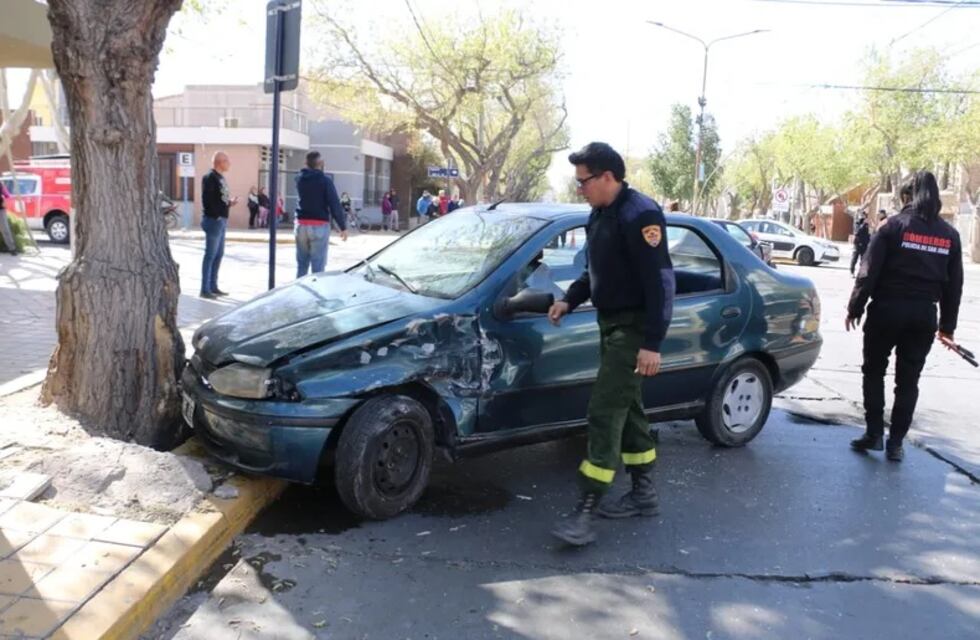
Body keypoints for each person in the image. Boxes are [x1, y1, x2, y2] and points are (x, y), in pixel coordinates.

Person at [547, 142, 675, 546]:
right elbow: (594, 272)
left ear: (607, 177)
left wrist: (652, 342)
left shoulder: (641, 215)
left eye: (583, 181)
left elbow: (661, 282)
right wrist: (569, 299)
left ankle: (586, 508)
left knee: (604, 409)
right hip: (610, 324)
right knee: (628, 407)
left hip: (633, 329)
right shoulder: (600, 215)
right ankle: (643, 494)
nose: (579, 188)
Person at [846, 171, 963, 462]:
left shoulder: (892, 227)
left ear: (907, 196)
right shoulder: (949, 235)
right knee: (908, 381)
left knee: (874, 371)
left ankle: (874, 433)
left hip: (887, 310)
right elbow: (954, 285)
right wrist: (947, 327)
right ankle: (896, 443)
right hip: (924, 315)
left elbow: (868, 272)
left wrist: (855, 308)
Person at [295, 150, 348, 278]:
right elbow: (334, 203)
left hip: (301, 224)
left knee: (302, 265)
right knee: (318, 267)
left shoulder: (299, 179)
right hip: (319, 225)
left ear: (305, 163)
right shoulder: (325, 181)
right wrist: (343, 227)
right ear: (321, 163)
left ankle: (299, 294)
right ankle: (316, 296)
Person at [200, 151, 238, 299]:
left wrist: (229, 203)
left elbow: (220, 199)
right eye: (226, 161)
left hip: (222, 220)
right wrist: (216, 215)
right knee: (210, 255)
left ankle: (213, 286)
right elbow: (207, 200)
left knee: (218, 254)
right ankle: (205, 289)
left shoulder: (221, 178)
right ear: (219, 162)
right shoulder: (210, 178)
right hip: (214, 220)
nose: (229, 164)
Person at [0, 181, 19, 255]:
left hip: (1, 209)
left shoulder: (0, 184)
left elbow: (7, 195)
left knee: (5, 229)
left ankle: (12, 248)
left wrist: (3, 198)